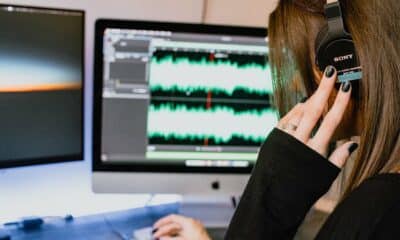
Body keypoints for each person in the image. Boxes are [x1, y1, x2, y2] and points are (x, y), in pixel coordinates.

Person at [152, 0, 400, 239]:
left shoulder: (377, 210)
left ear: (345, 63)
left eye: (297, 63)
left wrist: (268, 204)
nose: (294, 83)